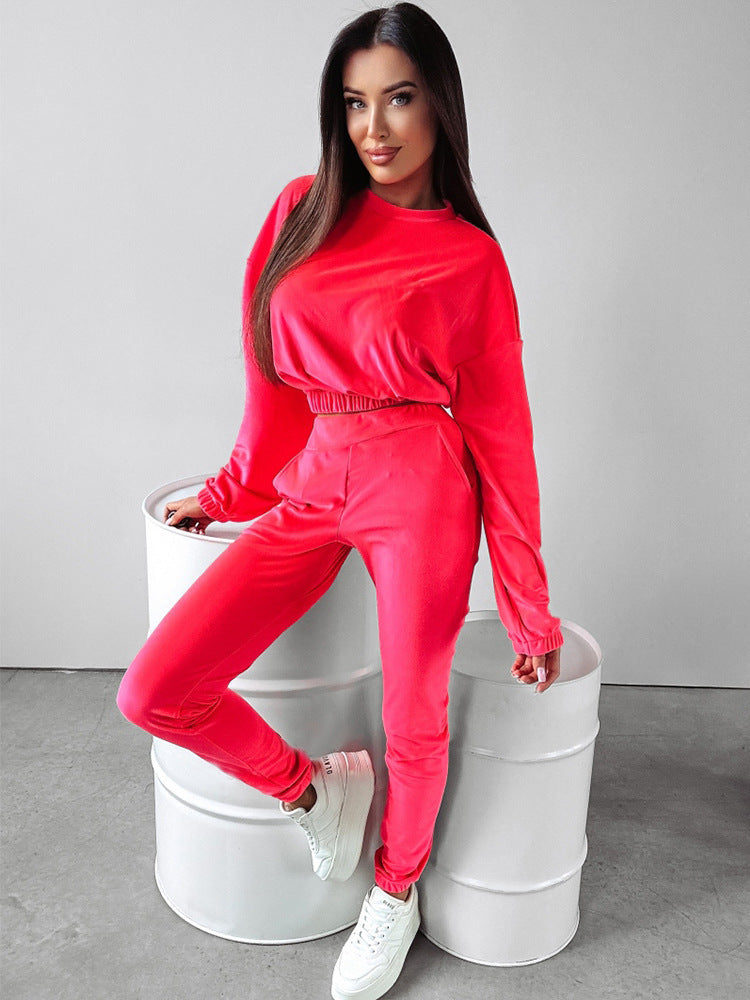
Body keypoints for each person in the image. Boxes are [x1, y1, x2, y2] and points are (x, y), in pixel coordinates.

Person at [116, 4, 564, 998]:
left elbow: (504, 436)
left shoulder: (470, 258)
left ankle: (395, 893)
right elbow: (268, 376)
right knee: (155, 689)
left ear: (439, 105)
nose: (375, 127)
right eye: (355, 103)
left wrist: (528, 605)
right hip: (319, 470)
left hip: (422, 483)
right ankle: (315, 790)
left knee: (415, 714)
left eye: (399, 99)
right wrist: (233, 490)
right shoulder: (301, 209)